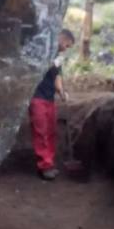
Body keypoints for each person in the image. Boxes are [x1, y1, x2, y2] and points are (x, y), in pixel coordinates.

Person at [29, 29, 75, 180]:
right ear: (62, 40)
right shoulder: (43, 50)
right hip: (37, 97)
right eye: (67, 45)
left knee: (50, 131)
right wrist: (51, 63)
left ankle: (49, 162)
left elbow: (57, 76)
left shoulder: (57, 58)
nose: (66, 49)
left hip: (49, 98)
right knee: (41, 131)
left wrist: (62, 92)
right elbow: (35, 69)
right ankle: (44, 166)